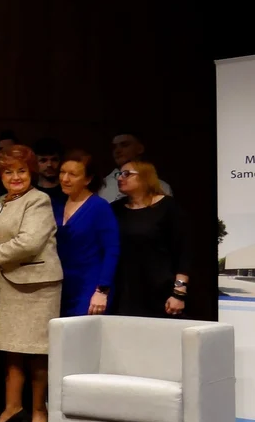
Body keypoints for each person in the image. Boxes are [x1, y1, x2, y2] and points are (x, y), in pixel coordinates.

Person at [0, 145, 62, 422]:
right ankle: (12, 407)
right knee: (11, 350)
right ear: (0, 176)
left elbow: (30, 242)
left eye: (21, 171)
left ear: (32, 173)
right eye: (8, 172)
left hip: (38, 286)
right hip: (7, 284)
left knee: (37, 351)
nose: (15, 177)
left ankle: (40, 410)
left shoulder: (38, 200)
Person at [110, 160, 189, 318]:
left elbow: (183, 252)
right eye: (119, 174)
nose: (119, 178)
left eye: (126, 174)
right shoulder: (115, 209)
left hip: (161, 291)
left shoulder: (168, 207)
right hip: (124, 291)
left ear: (145, 177)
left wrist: (179, 292)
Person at [55, 150, 119, 318]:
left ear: (88, 179)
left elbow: (111, 250)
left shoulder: (99, 207)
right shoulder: (57, 205)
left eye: (73, 174)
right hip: (61, 286)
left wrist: (102, 291)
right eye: (62, 172)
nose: (65, 179)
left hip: (90, 287)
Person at [100, 132, 173, 202]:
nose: (117, 151)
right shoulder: (102, 186)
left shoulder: (161, 186)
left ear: (140, 148)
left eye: (125, 145)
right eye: (114, 147)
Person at [33, 137, 65, 204]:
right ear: (35, 162)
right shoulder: (29, 190)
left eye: (54, 160)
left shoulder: (67, 190)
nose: (49, 164)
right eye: (43, 160)